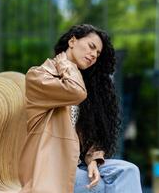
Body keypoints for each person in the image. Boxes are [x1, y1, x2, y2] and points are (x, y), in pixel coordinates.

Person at [18, 24, 142, 193]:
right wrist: (65, 63)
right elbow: (75, 92)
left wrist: (93, 160)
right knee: (104, 187)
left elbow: (86, 132)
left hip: (78, 165)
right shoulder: (38, 76)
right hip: (51, 169)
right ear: (72, 41)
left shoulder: (80, 82)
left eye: (97, 54)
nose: (93, 55)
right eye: (91, 47)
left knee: (128, 171)